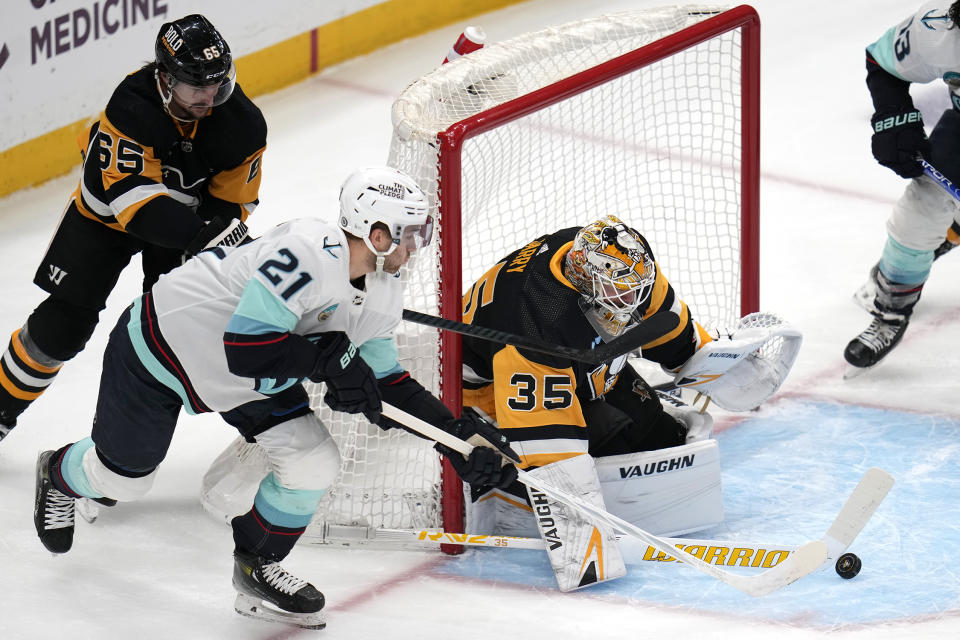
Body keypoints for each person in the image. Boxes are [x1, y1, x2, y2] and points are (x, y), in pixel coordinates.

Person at [32, 166, 519, 630]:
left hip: (254, 380)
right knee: (124, 479)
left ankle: (257, 564)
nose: (417, 246)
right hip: (163, 348)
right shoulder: (305, 250)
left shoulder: (382, 293)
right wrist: (329, 361)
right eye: (409, 234)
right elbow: (246, 347)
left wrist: (455, 439)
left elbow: (387, 383)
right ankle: (58, 472)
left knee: (314, 460)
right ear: (375, 232)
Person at [0, 14, 265, 439]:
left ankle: (262, 430)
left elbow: (233, 202)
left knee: (184, 329)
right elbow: (136, 207)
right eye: (197, 86)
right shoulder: (131, 106)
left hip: (181, 229)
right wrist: (205, 237)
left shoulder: (242, 124)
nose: (210, 95)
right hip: (103, 220)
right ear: (165, 79)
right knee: (61, 328)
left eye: (217, 82)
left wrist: (223, 237)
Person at [459, 213, 717, 534]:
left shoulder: (610, 262)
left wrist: (703, 356)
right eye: (622, 293)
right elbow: (551, 454)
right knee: (612, 451)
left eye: (634, 289)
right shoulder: (535, 321)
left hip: (569, 363)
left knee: (661, 434)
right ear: (588, 284)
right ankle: (512, 504)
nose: (632, 300)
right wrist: (578, 526)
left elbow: (655, 306)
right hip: (491, 389)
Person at [844, 1, 960, 370]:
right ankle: (891, 312)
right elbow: (883, 62)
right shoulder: (941, 29)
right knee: (919, 215)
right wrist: (894, 118)